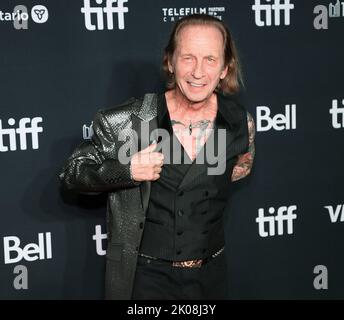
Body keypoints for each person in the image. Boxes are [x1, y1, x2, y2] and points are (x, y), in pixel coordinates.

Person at [59, 14, 255, 300]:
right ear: (170, 62)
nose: (198, 72)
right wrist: (127, 170)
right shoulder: (130, 121)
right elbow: (71, 174)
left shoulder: (240, 122)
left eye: (210, 59)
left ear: (225, 68)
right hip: (146, 279)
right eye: (188, 57)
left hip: (210, 277)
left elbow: (241, 167)